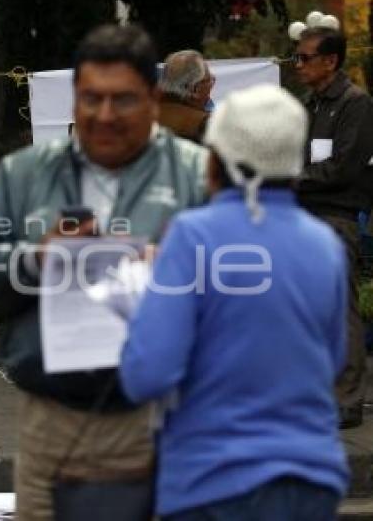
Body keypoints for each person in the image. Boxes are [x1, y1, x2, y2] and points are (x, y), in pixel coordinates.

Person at [0, 24, 207, 521]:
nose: (105, 115)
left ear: (153, 100)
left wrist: (181, 275)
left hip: (161, 428)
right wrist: (32, 259)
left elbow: (245, 292)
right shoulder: (25, 175)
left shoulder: (197, 175)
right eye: (91, 98)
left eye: (123, 100)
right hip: (51, 425)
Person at [119, 84, 349, 521]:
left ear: (213, 161)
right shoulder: (324, 245)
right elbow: (332, 360)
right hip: (312, 479)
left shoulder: (192, 236)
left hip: (212, 481)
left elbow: (147, 373)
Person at [294, 25, 373, 428]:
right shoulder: (310, 104)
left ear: (331, 61)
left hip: (336, 216)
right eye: (298, 56)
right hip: (303, 215)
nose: (298, 64)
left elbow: (344, 167)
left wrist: (290, 179)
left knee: (340, 307)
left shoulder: (354, 104)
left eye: (305, 57)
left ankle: (348, 398)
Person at [157, 50, 213, 143]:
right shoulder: (203, 123)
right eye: (209, 81)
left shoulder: (144, 114)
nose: (211, 86)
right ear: (194, 89)